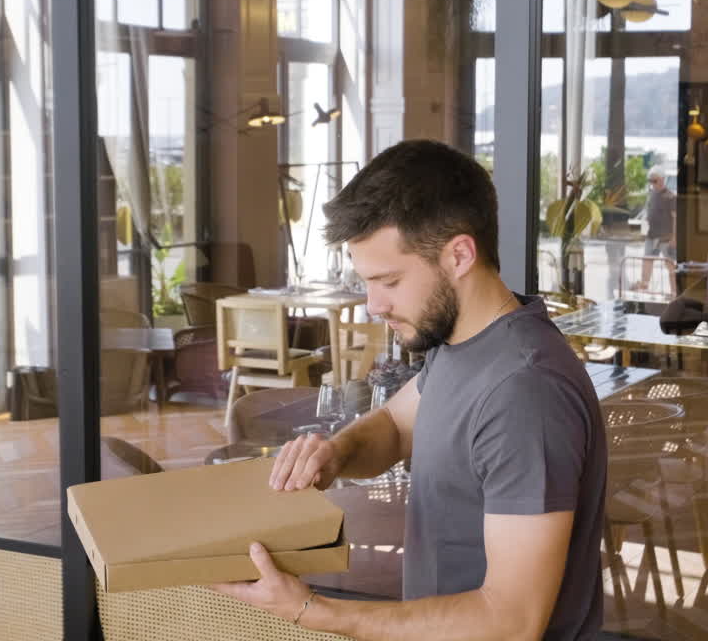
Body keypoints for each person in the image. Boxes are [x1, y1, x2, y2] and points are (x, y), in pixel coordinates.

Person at [213, 140, 607, 640]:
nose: (373, 304)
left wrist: (313, 611)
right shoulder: (461, 341)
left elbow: (511, 623)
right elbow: (399, 425)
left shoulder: (524, 393)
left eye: (390, 281)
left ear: (459, 254)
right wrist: (335, 454)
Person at [636, 165, 675, 291]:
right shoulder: (651, 194)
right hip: (651, 235)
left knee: (670, 265)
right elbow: (648, 212)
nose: (652, 183)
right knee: (647, 262)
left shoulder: (670, 197)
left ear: (662, 179)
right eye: (650, 181)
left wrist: (674, 238)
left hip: (665, 237)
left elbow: (676, 218)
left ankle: (675, 291)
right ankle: (644, 288)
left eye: (655, 180)